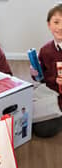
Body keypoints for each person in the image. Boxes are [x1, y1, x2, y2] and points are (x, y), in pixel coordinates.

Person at [30, 3, 62, 137]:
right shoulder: (45, 50)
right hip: (50, 95)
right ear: (49, 25)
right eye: (56, 22)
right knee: (37, 127)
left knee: (45, 128)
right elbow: (41, 79)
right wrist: (34, 73)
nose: (60, 27)